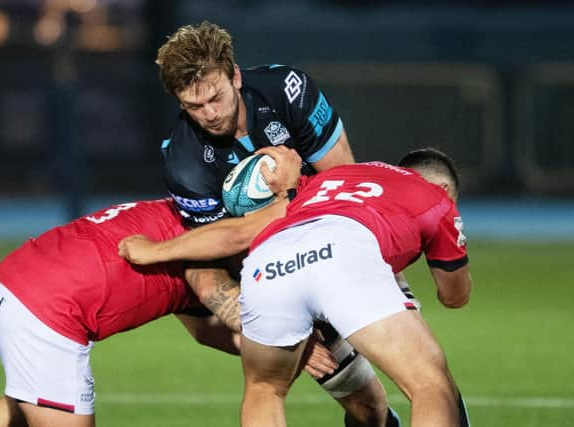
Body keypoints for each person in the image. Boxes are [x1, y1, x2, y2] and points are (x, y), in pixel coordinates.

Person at [155, 21, 399, 427]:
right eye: (193, 107)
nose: (209, 114)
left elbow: (345, 184)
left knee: (424, 371)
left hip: (336, 244)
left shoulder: (288, 90)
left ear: (234, 75)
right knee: (368, 408)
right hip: (273, 278)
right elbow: (224, 258)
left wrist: (376, 267)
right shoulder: (184, 162)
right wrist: (295, 340)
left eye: (215, 97)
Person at [119, 148, 472, 426]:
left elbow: (244, 229)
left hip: (269, 258)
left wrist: (155, 250)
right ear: (442, 188)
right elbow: (454, 296)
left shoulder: (331, 179)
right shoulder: (435, 197)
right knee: (430, 384)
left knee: (265, 390)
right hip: (344, 251)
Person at [0, 198, 243, 427]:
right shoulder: (207, 258)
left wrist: (277, 353)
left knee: (27, 402)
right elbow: (217, 294)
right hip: (46, 310)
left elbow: (206, 331)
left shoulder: (183, 215)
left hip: (11, 281)